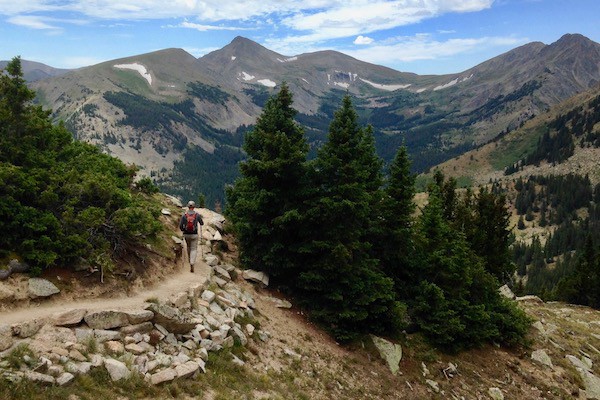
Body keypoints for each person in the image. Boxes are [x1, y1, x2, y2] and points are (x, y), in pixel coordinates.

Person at [179, 200, 204, 272]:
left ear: (188, 206)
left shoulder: (184, 215)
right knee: (194, 248)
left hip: (186, 234)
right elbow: (202, 223)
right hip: (194, 234)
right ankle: (192, 262)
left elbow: (180, 226)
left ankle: (190, 259)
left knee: (188, 247)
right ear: (194, 207)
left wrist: (183, 230)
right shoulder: (197, 215)